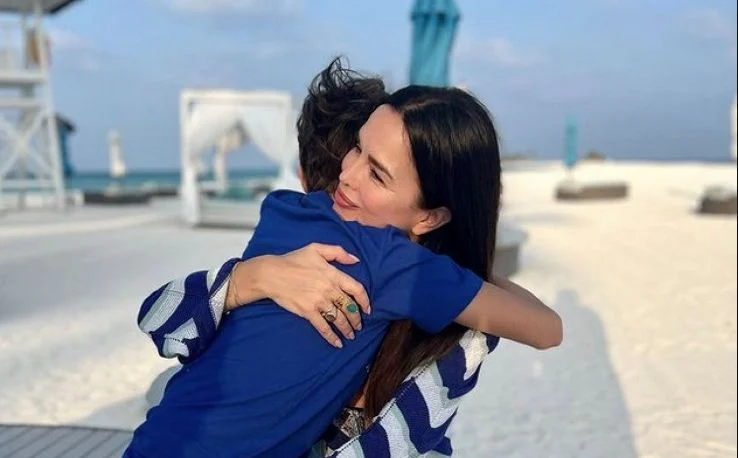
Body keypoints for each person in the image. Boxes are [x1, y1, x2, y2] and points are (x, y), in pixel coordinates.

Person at [129, 61, 562, 458]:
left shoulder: (284, 210)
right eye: (357, 148)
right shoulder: (395, 263)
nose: (347, 174)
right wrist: (458, 264)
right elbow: (547, 330)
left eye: (376, 173)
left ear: (430, 215)